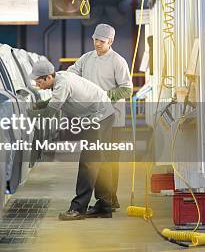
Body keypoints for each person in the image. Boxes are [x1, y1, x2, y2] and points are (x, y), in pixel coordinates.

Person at [30, 59, 115, 221]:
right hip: (104, 114)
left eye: (38, 80)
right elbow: (56, 100)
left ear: (48, 77)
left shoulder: (63, 84)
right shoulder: (60, 78)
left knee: (88, 162)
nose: (36, 83)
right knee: (99, 161)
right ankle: (104, 206)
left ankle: (78, 208)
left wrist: (25, 114)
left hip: (99, 117)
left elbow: (50, 113)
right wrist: (39, 105)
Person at [67, 24, 133, 214]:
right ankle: (106, 202)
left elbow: (127, 89)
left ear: (110, 42)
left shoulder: (117, 61)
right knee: (98, 159)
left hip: (113, 119)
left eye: (102, 41)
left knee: (109, 161)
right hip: (93, 118)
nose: (97, 44)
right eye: (95, 40)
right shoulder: (87, 59)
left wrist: (103, 95)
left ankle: (108, 200)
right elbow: (72, 74)